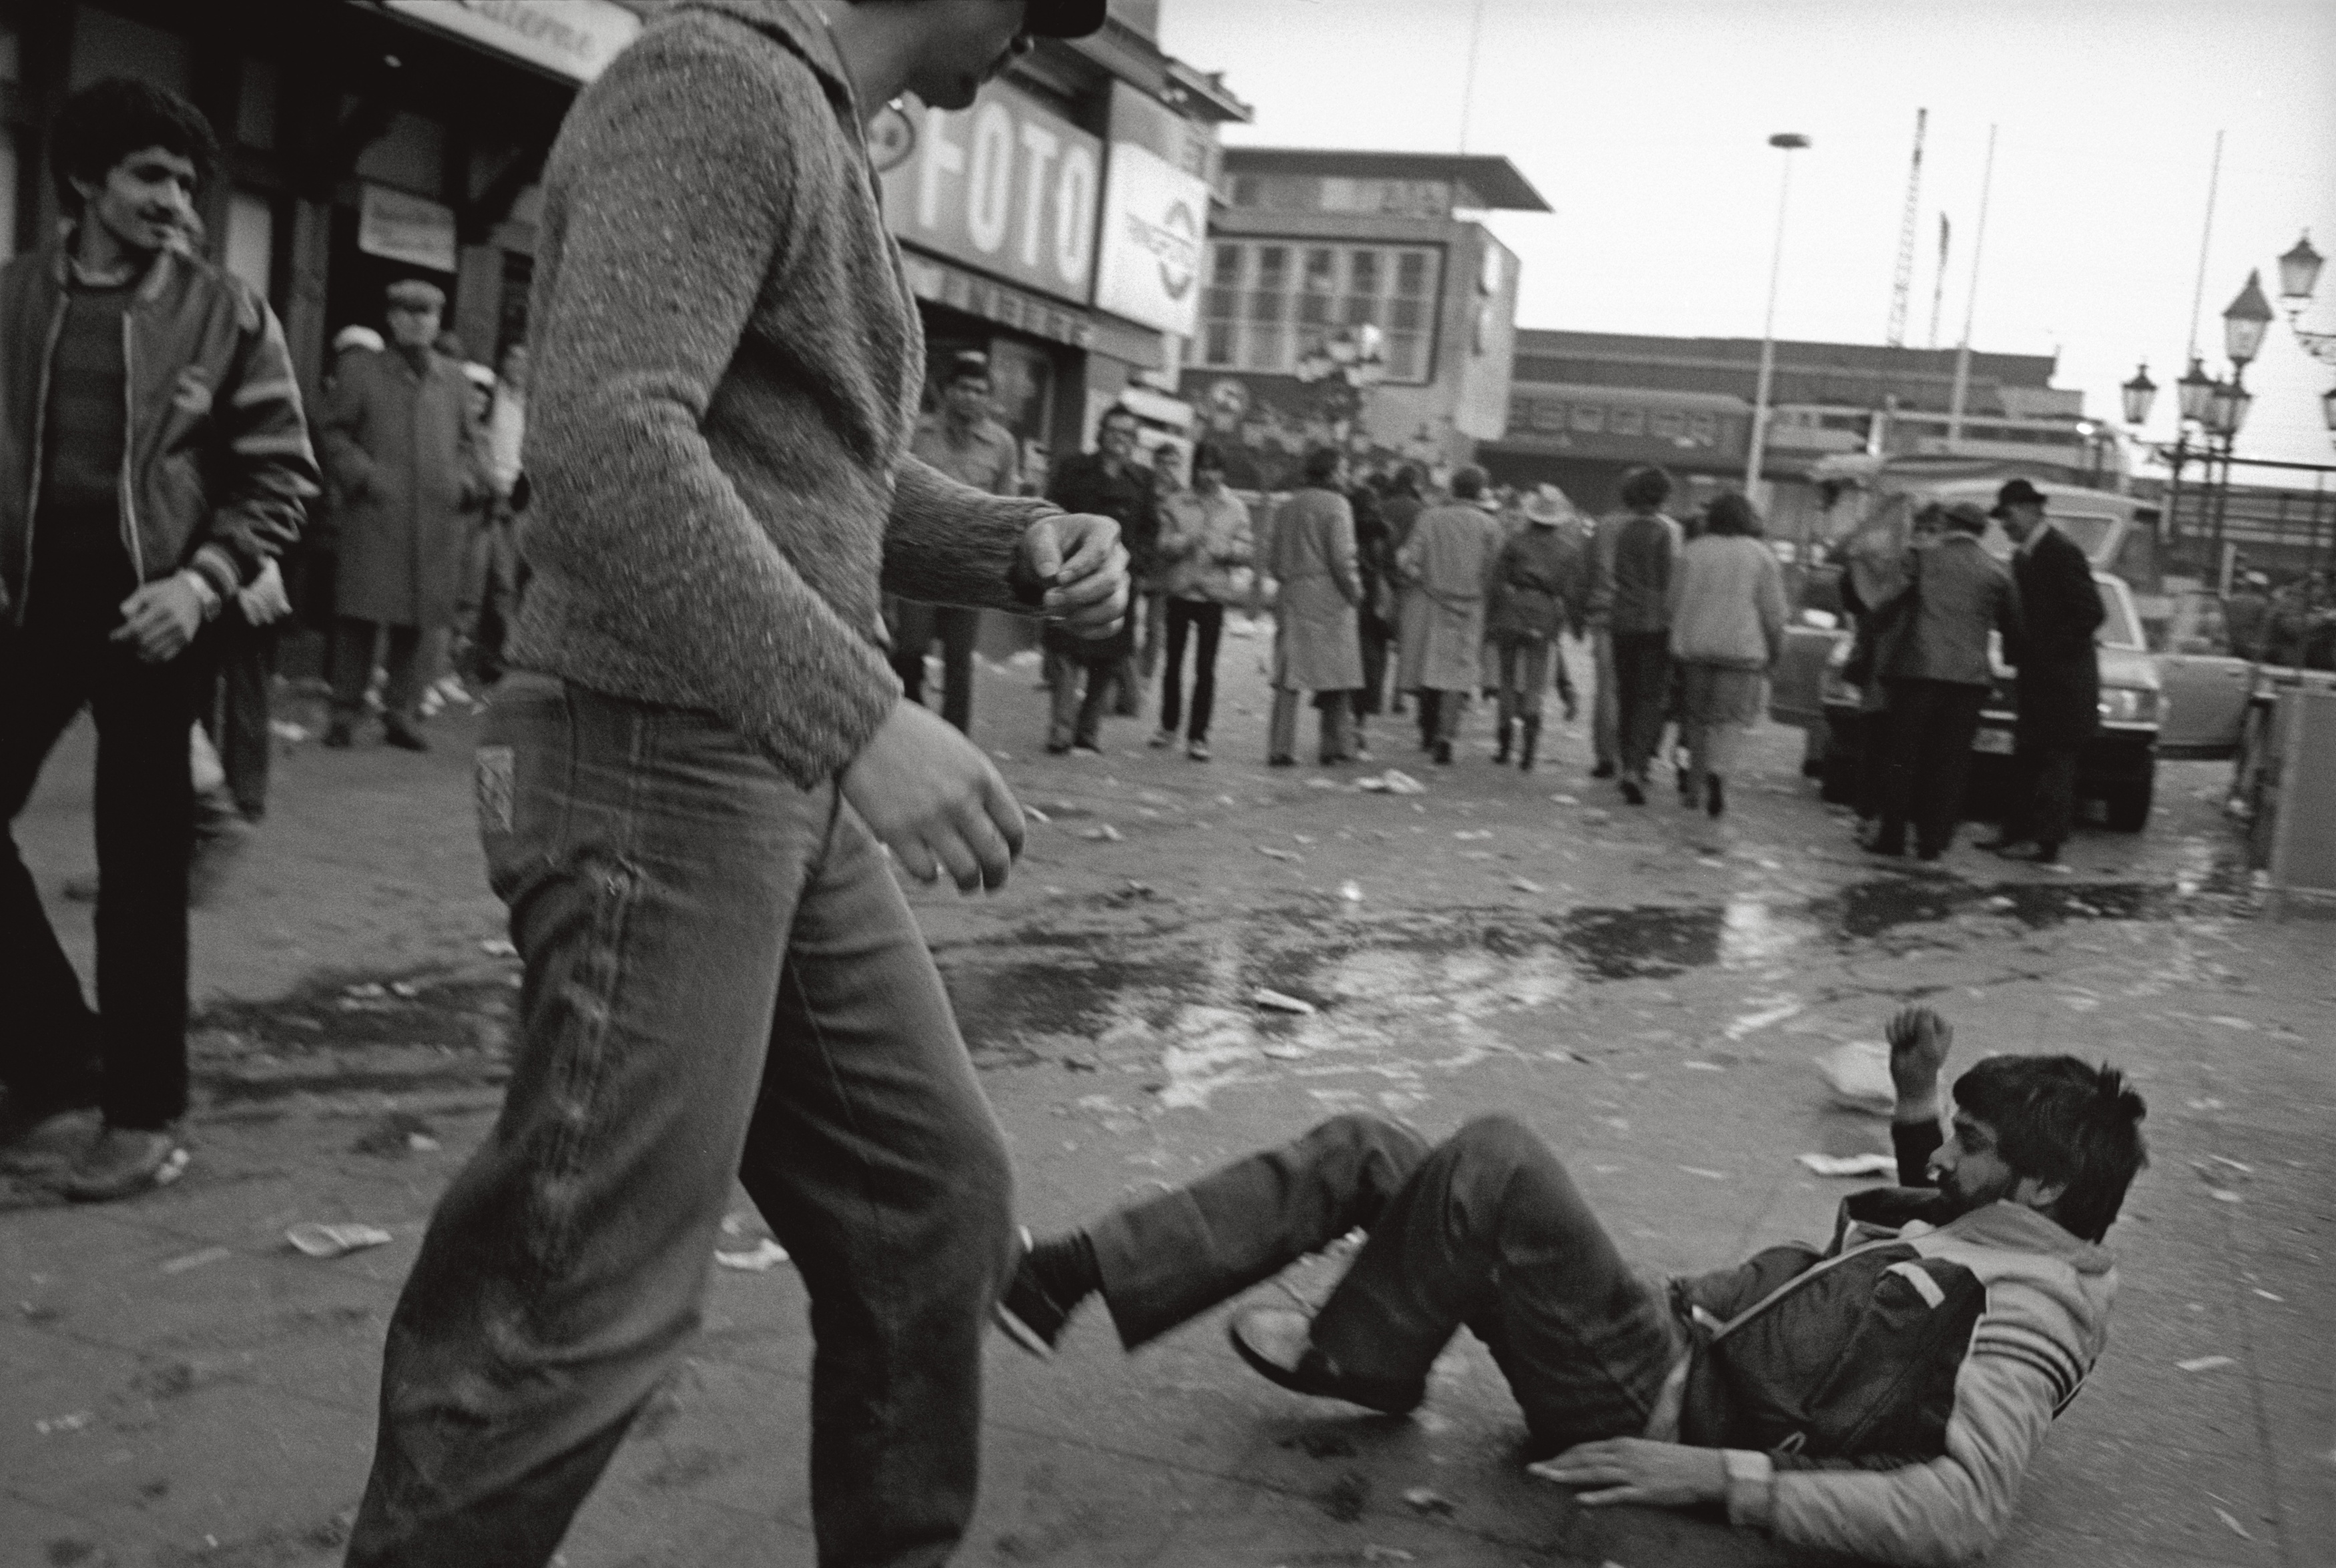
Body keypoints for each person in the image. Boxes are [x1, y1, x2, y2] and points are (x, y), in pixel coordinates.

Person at [340, 3, 1126, 1565]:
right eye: (1048, 9)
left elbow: (809, 469)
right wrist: (860, 719)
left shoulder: (813, 122)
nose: (1042, 42)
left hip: (756, 764)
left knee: (929, 1201)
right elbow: (605, 447)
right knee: (577, 1298)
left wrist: (1016, 542)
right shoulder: (716, 84)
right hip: (651, 753)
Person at [995, 1006, 2146, 1568]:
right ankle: (1070, 1273)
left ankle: (1362, 1356)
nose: (1946, 1160)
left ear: (2042, 1187)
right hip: (1674, 1336)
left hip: (1665, 1402)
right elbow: (1933, 1240)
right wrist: (1919, 1094)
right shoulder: (2011, 1231)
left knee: (1495, 1156)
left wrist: (1715, 1476)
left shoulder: (2033, 1313)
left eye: (1972, 1145)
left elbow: (1965, 1508)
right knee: (1373, 1150)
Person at [0, 77, 315, 1200]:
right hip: (27, 608)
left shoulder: (228, 313)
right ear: (87, 179)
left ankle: (142, 1114)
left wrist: (202, 582)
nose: (175, 201)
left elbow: (280, 477)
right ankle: (55, 1054)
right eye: (151, 177)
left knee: (138, 873)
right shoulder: (11, 299)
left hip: (161, 613)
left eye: (186, 182)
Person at [316, 278, 486, 750]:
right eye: (407, 313)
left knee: (419, 622)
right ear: (392, 319)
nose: (417, 322)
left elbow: (470, 442)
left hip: (435, 518)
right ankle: (344, 712)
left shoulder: (455, 378)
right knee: (359, 618)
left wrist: (465, 483)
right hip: (376, 513)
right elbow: (333, 433)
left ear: (437, 320)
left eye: (426, 313)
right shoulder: (361, 370)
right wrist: (364, 477)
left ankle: (401, 713)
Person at [1868, 500, 2022, 861]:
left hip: (1917, 672)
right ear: (1982, 531)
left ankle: (1892, 836)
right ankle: (1933, 841)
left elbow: (1887, 604)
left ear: (1947, 524)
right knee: (1950, 763)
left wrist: (1878, 635)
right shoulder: (1997, 571)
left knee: (1902, 757)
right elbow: (2014, 625)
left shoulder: (1921, 558)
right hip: (1969, 680)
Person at [898, 350, 1022, 732]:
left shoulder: (1002, 445)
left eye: (980, 391)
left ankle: (956, 738)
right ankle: (909, 724)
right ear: (947, 391)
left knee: (959, 660)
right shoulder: (916, 433)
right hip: (918, 561)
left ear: (989, 399)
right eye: (964, 388)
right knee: (909, 649)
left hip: (968, 569)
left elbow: (1008, 507)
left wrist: (999, 566)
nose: (971, 397)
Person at [1982, 479, 2103, 865]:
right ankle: (2014, 834)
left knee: (2055, 763)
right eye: (2001, 518)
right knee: (2027, 758)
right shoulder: (2023, 557)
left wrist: (2047, 652)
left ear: (2031, 510)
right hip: (2037, 679)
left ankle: (2045, 843)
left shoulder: (2062, 552)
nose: (2005, 525)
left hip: (2064, 683)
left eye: (2008, 515)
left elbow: (2091, 612)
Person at [1667, 492, 1787, 819]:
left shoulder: (1692, 551)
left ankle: (1694, 790)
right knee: (1731, 719)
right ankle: (1718, 772)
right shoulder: (1761, 556)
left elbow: (1671, 604)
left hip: (1695, 651)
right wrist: (1775, 654)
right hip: (1742, 654)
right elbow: (1774, 615)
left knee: (1696, 720)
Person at [1050, 404, 1155, 718]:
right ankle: (1061, 727)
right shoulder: (1074, 469)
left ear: (1135, 439)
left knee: (1108, 657)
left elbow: (1150, 528)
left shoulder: (1142, 479)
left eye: (1128, 433)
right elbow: (1052, 514)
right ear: (1101, 433)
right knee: (1064, 650)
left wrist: (1136, 563)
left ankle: (1088, 729)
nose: (1120, 438)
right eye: (1114, 430)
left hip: (1118, 581)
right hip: (1075, 574)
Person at [1396, 465, 1505, 765]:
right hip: (1471, 607)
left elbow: (1410, 560)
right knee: (1458, 673)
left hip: (1431, 602)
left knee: (1429, 667)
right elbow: (1496, 572)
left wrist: (1412, 572)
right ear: (1480, 492)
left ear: (1453, 488)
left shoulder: (1430, 518)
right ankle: (1446, 735)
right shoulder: (1491, 526)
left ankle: (1427, 729)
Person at [1150, 442, 1251, 761]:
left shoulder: (1235, 508)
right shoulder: (1177, 502)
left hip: (1212, 595)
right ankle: (1168, 726)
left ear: (1222, 472)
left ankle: (1198, 736)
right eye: (1204, 468)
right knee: (1173, 663)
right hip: (1181, 590)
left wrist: (1228, 552)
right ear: (1194, 469)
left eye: (1215, 469)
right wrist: (1185, 542)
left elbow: (1247, 549)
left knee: (1205, 668)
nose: (1209, 476)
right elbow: (1162, 544)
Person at [1263, 446, 1365, 765]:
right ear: (1332, 473)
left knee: (1288, 676)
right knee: (1336, 674)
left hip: (1293, 594)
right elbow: (1342, 558)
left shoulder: (1287, 506)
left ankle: (1280, 747)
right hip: (1330, 597)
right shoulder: (1338, 505)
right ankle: (1334, 746)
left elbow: (1274, 559)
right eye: (1344, 469)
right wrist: (1355, 591)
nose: (1347, 476)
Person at [1590, 466, 1681, 803]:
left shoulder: (1626, 531)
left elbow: (1616, 574)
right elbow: (1668, 581)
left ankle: (1625, 760)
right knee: (1650, 698)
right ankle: (1636, 768)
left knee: (1626, 695)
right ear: (1664, 497)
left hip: (1622, 621)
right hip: (1655, 625)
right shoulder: (1665, 531)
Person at [1484, 484, 1584, 771]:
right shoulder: (1568, 550)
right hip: (1545, 613)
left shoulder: (1514, 542)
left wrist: (1490, 620)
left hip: (1513, 610)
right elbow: (1571, 594)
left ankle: (1504, 748)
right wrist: (1576, 627)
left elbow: (1496, 582)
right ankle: (1528, 753)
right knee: (1535, 683)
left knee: (1507, 679)